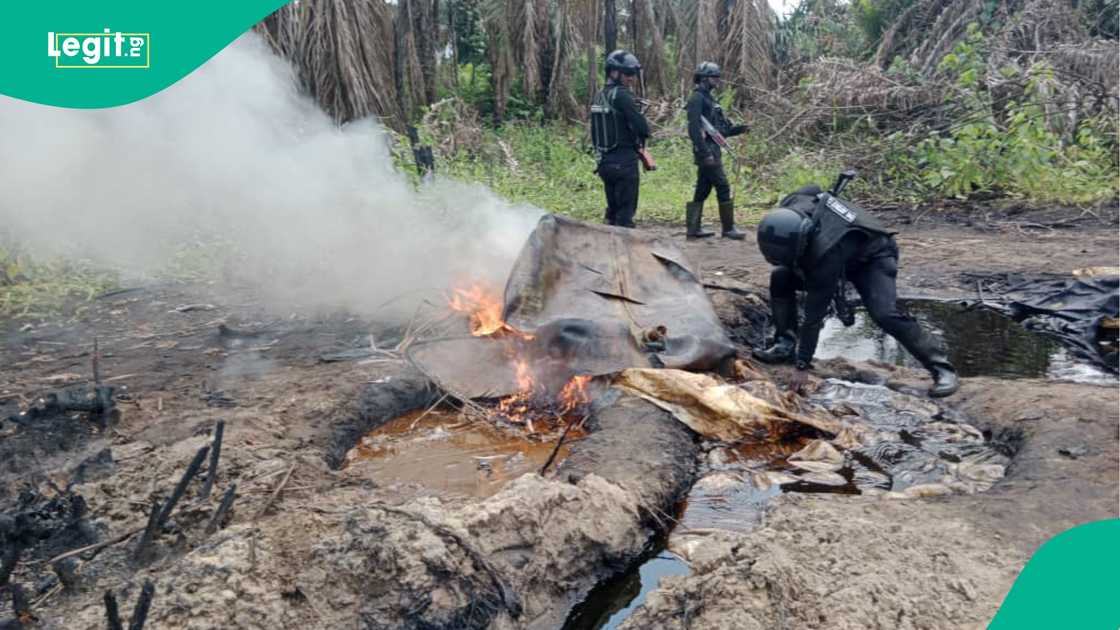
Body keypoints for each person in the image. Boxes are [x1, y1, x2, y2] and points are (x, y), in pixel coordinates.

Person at [753, 184, 960, 398]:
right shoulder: (791, 203)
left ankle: (942, 369)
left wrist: (802, 365)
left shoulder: (825, 252)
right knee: (780, 277)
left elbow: (814, 315)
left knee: (884, 314)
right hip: (841, 249)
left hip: (873, 256)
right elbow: (811, 188)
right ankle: (784, 344)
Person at [684, 62, 747, 240]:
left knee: (703, 189)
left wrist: (741, 129)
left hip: (713, 149)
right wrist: (705, 153)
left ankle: (693, 228)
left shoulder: (711, 100)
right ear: (704, 79)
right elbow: (694, 129)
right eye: (714, 77)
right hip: (706, 151)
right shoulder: (696, 99)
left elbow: (722, 131)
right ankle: (728, 229)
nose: (717, 81)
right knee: (723, 185)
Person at [590, 50, 651, 228]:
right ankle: (624, 252)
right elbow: (643, 128)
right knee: (625, 215)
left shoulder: (599, 95)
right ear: (614, 72)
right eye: (628, 74)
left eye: (633, 74)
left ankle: (609, 247)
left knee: (612, 210)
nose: (632, 78)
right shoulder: (622, 95)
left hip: (604, 163)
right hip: (624, 164)